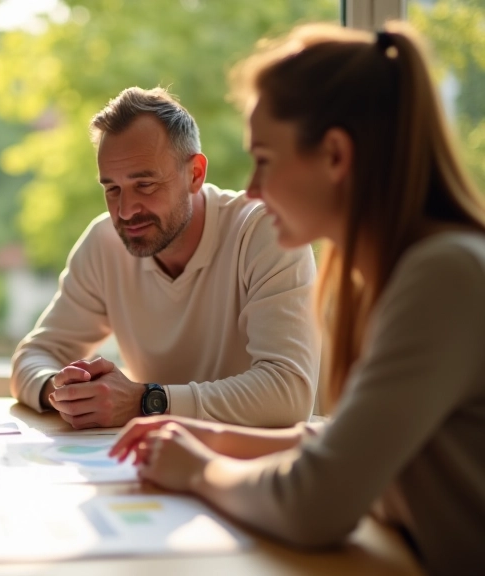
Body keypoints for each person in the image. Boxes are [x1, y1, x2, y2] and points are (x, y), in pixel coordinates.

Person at [111, 22, 485, 575]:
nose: (254, 188)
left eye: (264, 158)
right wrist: (211, 435)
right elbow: (355, 440)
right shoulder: (415, 270)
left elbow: (315, 505)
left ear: (335, 155)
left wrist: (198, 470)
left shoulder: (444, 275)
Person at [11, 86, 320, 429]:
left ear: (195, 175)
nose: (125, 211)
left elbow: (289, 394)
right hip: (156, 460)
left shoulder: (265, 231)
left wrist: (146, 401)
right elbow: (33, 356)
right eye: (112, 189)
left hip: (255, 465)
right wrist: (64, 390)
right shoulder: (104, 242)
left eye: (145, 185)